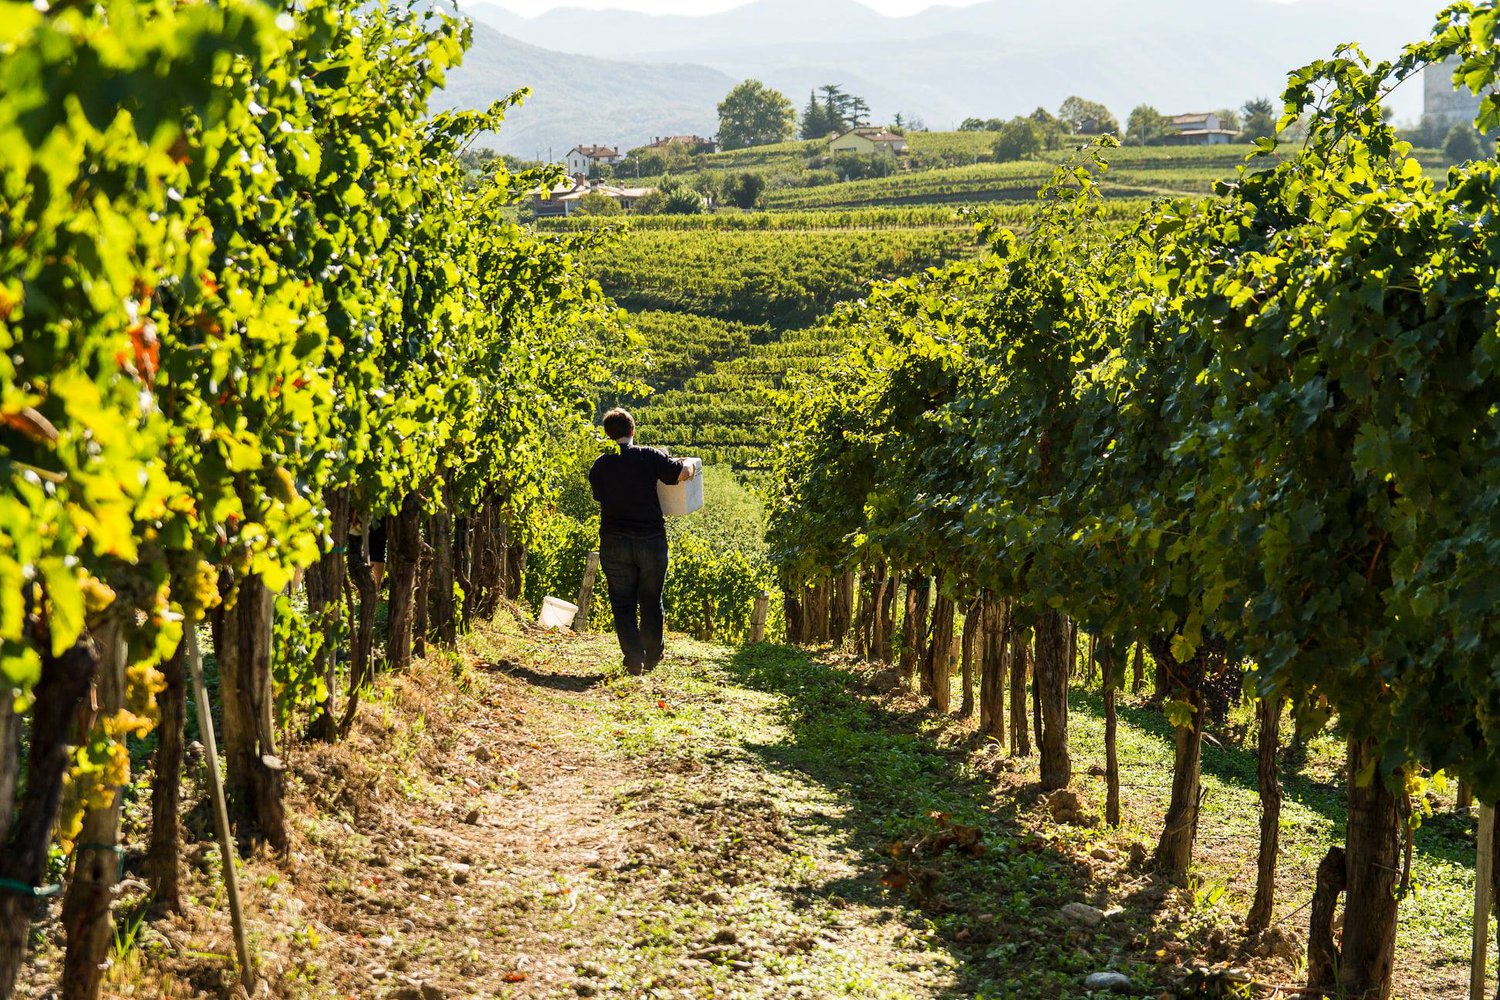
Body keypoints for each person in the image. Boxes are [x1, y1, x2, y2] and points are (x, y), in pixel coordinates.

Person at [589, 407, 698, 674]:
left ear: (607, 435)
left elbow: (600, 497)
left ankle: (633, 657)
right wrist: (692, 464)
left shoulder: (600, 465)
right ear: (633, 431)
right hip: (651, 539)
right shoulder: (649, 455)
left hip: (614, 541)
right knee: (651, 599)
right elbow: (680, 473)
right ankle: (652, 656)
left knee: (622, 602)